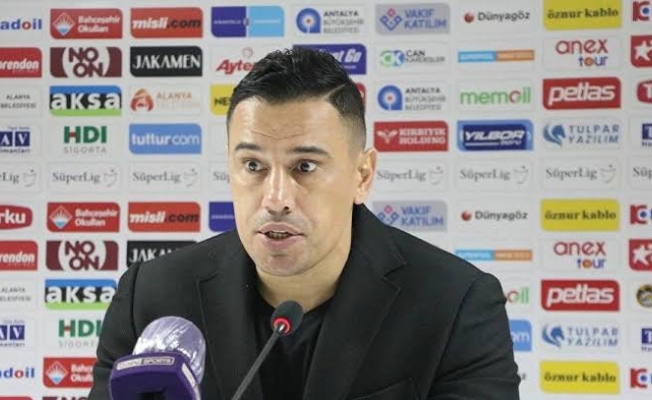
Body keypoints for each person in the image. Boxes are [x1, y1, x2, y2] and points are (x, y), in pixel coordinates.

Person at [89, 47, 520, 400]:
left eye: (305, 167)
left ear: (362, 175)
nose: (276, 199)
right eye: (253, 165)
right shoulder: (151, 298)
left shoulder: (454, 306)